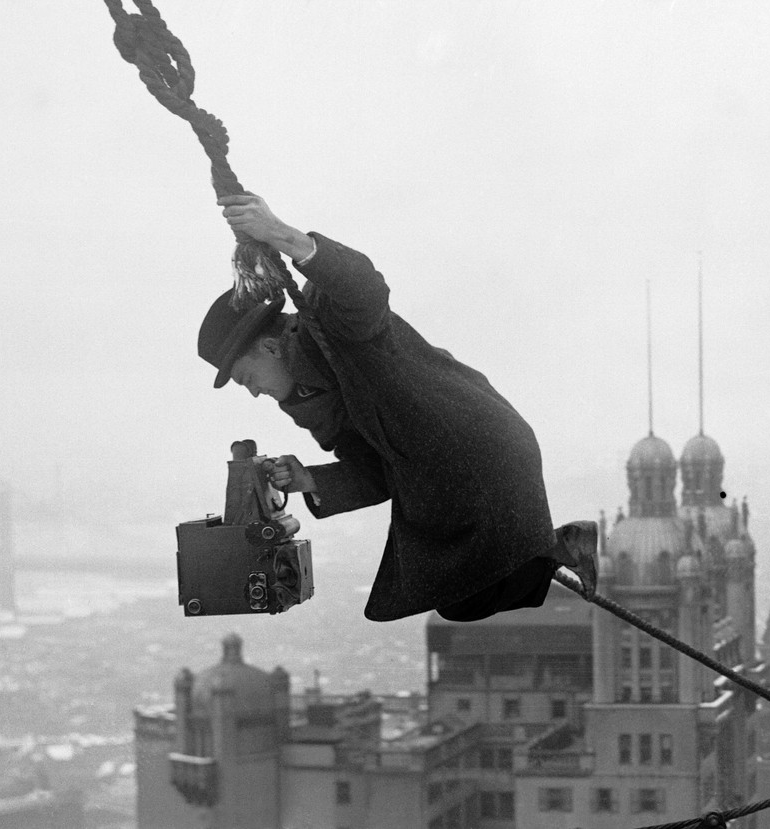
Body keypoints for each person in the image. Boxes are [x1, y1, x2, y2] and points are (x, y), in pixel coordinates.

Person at [197, 193, 597, 623]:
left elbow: (363, 286)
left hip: (471, 447)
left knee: (459, 582)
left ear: (272, 346)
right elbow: (375, 469)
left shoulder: (328, 322)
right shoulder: (308, 399)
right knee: (461, 601)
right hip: (439, 467)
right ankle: (560, 548)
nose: (254, 393)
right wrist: (310, 478)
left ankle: (556, 550)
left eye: (247, 378)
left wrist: (279, 234)